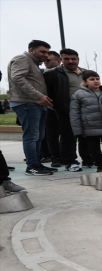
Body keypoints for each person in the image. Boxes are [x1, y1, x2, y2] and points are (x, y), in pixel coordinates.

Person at [7, 40, 56, 176]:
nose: (46, 55)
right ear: (31, 50)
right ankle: (32, 166)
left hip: (35, 103)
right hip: (27, 103)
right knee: (32, 136)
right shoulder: (22, 59)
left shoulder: (33, 63)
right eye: (42, 52)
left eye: (47, 52)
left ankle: (37, 164)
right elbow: (17, 78)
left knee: (39, 136)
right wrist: (38, 96)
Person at [44, 47, 95, 172]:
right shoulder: (52, 74)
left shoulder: (87, 73)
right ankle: (70, 162)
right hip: (65, 111)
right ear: (61, 60)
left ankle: (88, 160)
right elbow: (46, 92)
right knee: (68, 138)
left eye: (73, 59)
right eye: (67, 59)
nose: (71, 61)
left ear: (78, 60)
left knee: (87, 137)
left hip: (86, 111)